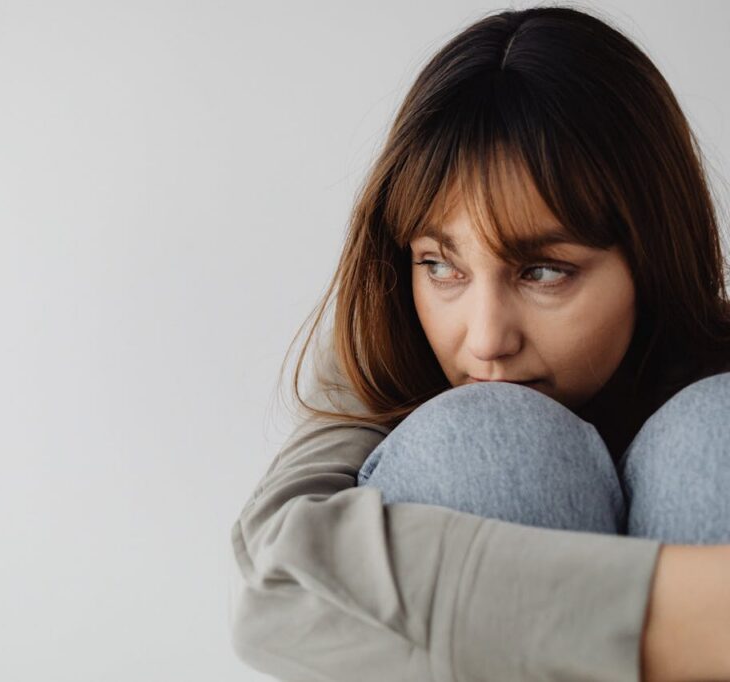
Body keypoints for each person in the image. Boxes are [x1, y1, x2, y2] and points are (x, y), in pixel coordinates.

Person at [229, 6, 730, 682]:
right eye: (441, 266)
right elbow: (277, 592)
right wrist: (687, 608)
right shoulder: (386, 355)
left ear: (653, 255)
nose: (487, 339)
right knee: (488, 442)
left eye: (544, 272)